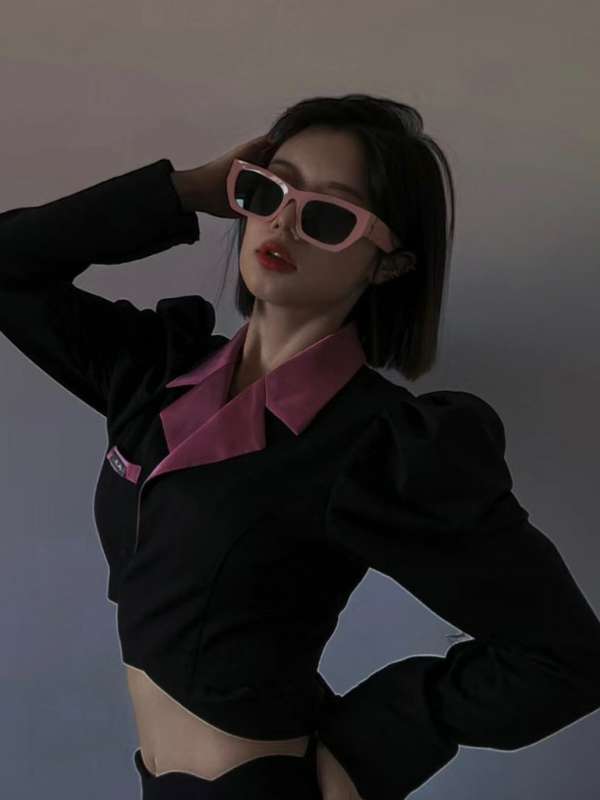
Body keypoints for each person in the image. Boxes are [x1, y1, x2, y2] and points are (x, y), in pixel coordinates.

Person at [2, 93, 600, 800]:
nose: (283, 221)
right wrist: (185, 191)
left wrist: (368, 751)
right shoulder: (153, 371)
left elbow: (567, 658)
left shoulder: (380, 443)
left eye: (329, 216)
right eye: (269, 190)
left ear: (388, 265)